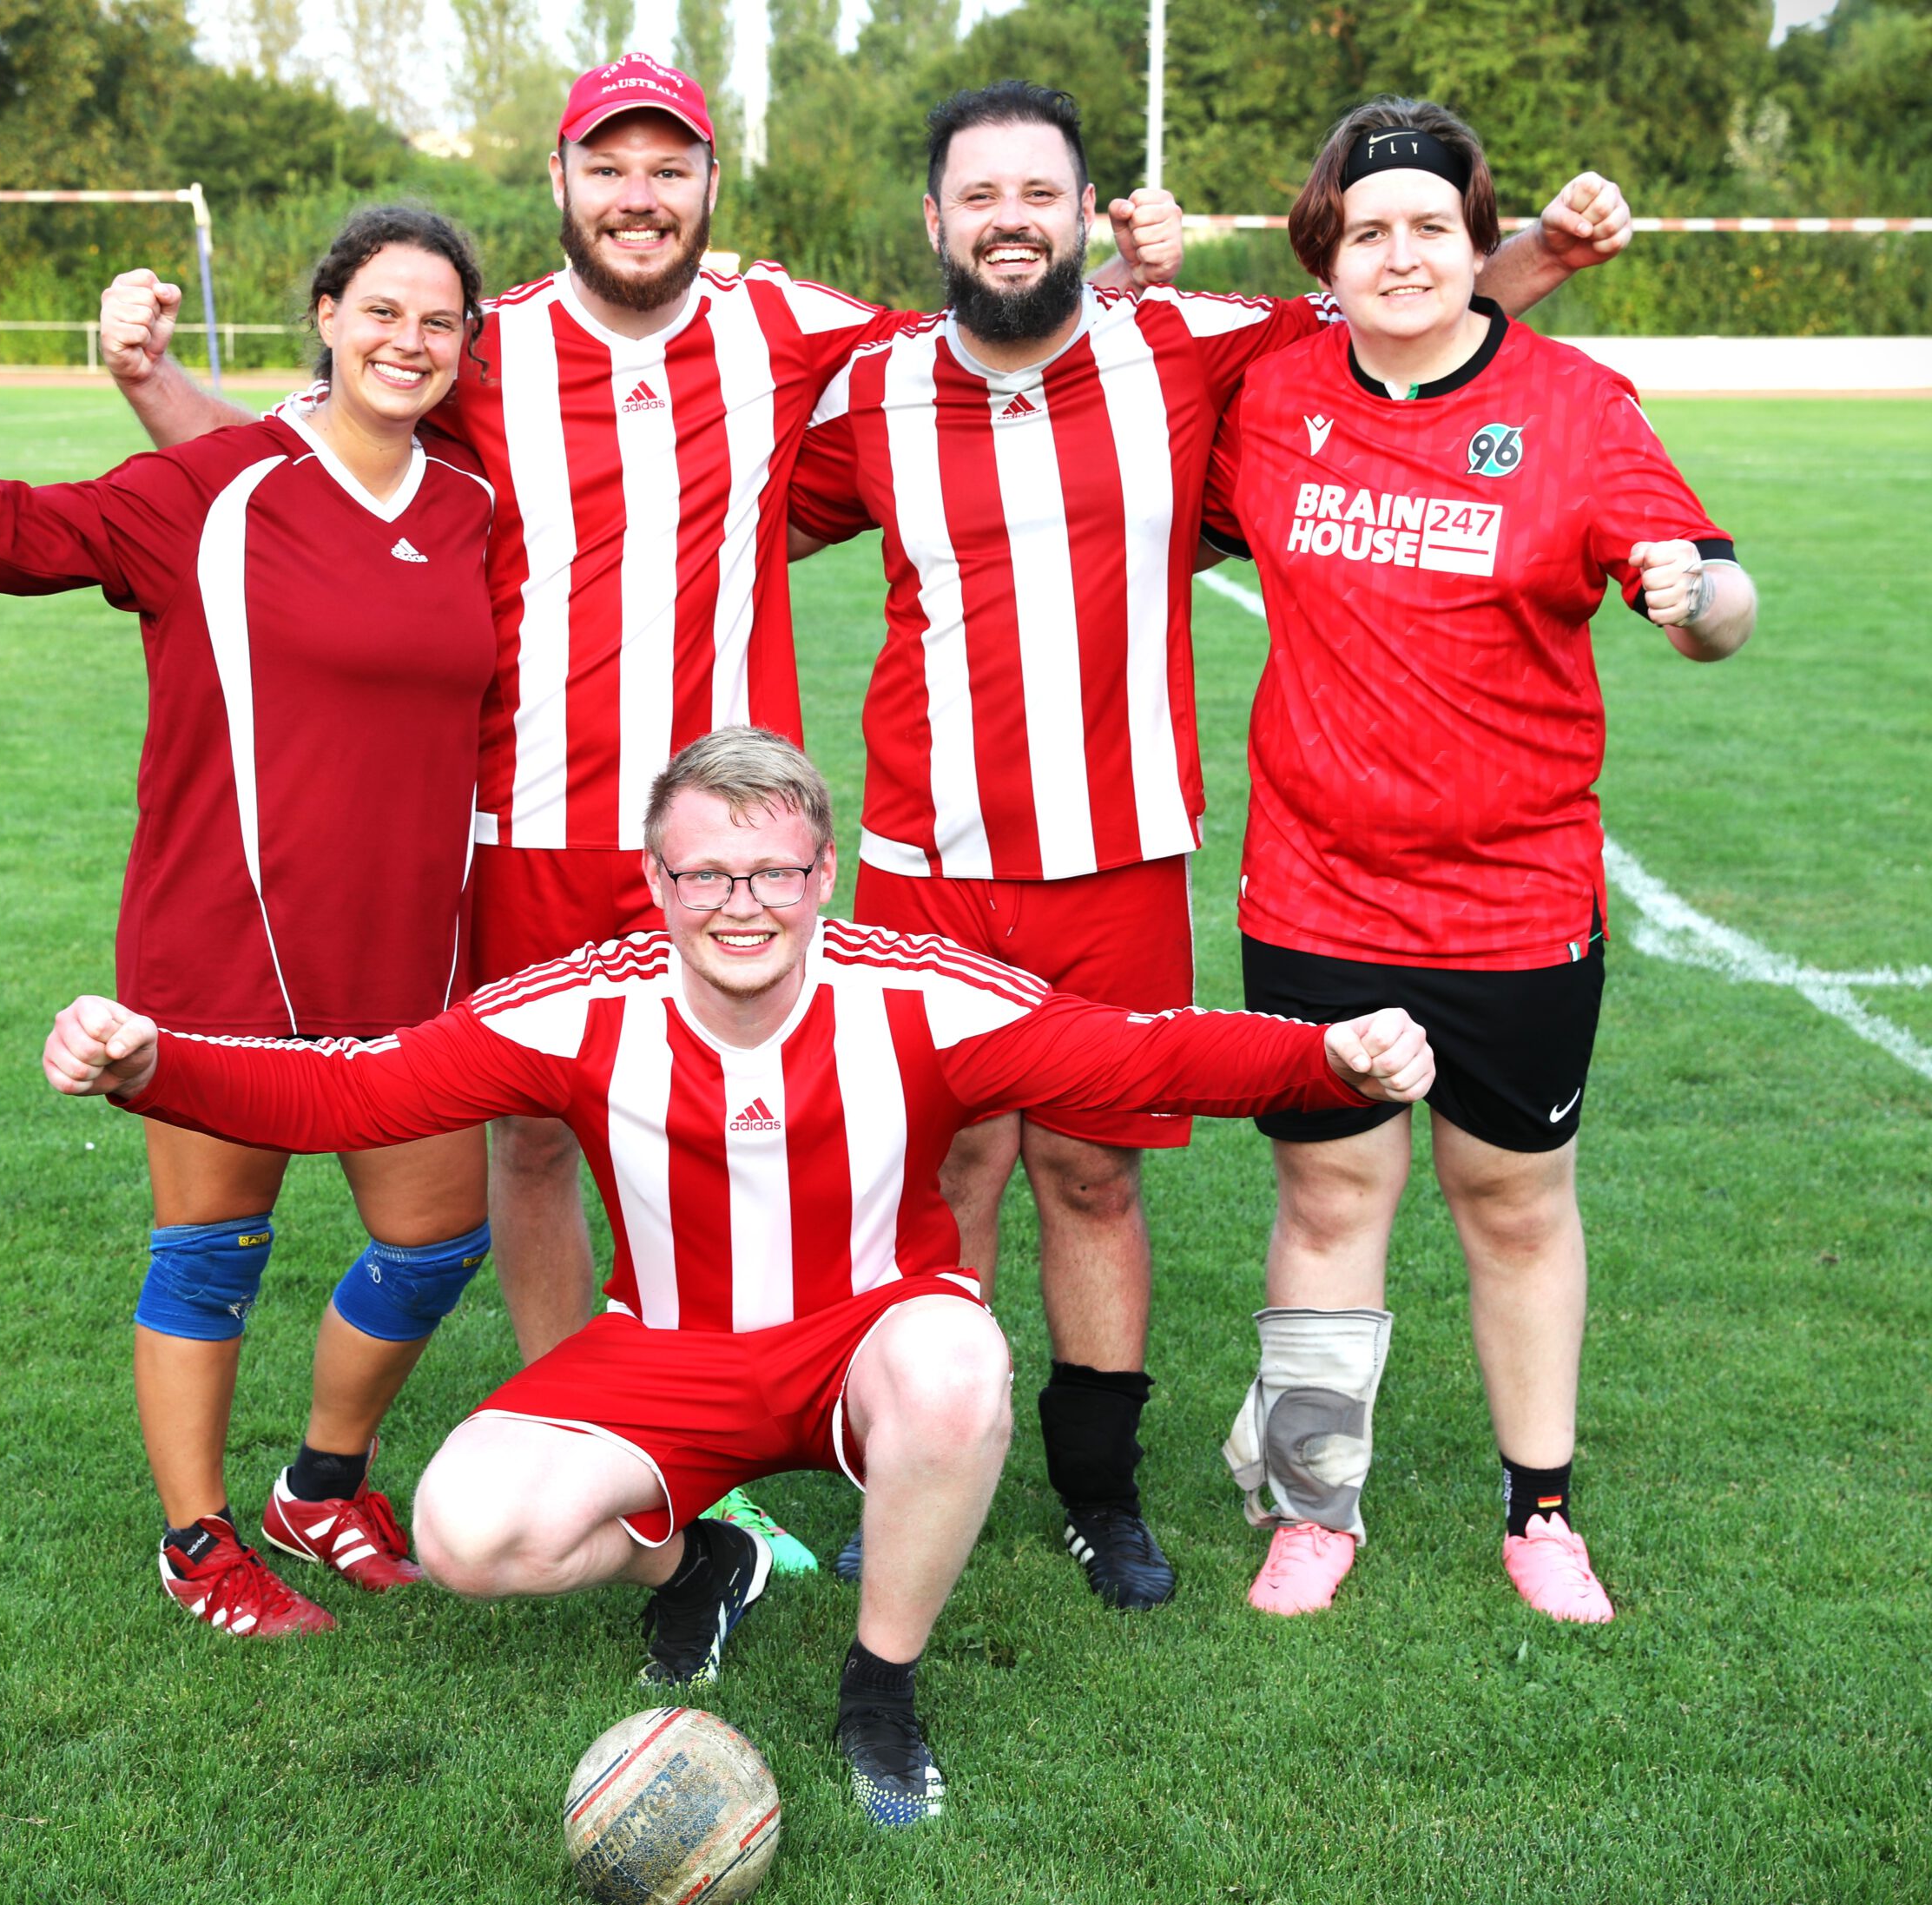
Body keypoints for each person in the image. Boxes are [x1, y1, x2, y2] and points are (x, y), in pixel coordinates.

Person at [92, 53, 1187, 1571]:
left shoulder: (792, 323)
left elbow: (1000, 345)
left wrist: (1131, 279)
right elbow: (290, 476)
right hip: (527, 824)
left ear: (709, 188)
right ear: (560, 185)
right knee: (536, 1149)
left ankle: (778, 1418)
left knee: (752, 1138)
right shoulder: (480, 354)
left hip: (733, 842)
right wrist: (151, 379)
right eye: (609, 166)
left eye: (669, 167)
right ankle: (603, 1443)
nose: (639, 194)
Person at [40, 727, 1434, 1823]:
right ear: (656, 883)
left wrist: (1327, 1057)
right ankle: (698, 1547)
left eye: (773, 870)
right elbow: (364, 1091)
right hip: (665, 1353)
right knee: (468, 1531)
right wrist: (157, 1063)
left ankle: (879, 1687)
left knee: (958, 1365)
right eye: (704, 872)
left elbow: (1140, 1052)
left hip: (870, 1338)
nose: (742, 902)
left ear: (823, 872)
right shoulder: (582, 1006)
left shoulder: (920, 993)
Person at [787, 81, 1632, 1607]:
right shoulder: (868, 392)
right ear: (934, 220)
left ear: (1087, 210)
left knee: (1093, 1177)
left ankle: (1100, 1495)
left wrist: (1545, 263)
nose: (1007, 219)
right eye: (977, 195)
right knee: (947, 1177)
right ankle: (912, 1468)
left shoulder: (1189, 347)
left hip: (1117, 851)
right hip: (926, 861)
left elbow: (1410, 316)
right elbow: (703, 517)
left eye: (1039, 193)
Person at [0, 206, 503, 1638]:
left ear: (465, 344)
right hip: (227, 945)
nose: (408, 341)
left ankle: (321, 1484)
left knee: (437, 1242)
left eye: (438, 321)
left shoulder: (472, 502)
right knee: (211, 1251)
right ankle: (197, 1543)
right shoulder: (215, 487)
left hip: (414, 958)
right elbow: (29, 527)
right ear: (326, 315)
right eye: (381, 311)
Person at [1198, 97, 1756, 1625]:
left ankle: (1542, 1514)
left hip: (1515, 901)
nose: (1403, 253)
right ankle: (1316, 1508)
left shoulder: (1576, 405)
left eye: (1431, 226)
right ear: (1329, 251)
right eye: (1370, 229)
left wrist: (1693, 597)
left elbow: (1722, 603)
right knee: (1330, 1202)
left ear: (1473, 239)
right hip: (1315, 889)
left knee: (1512, 1200)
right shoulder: (1274, 398)